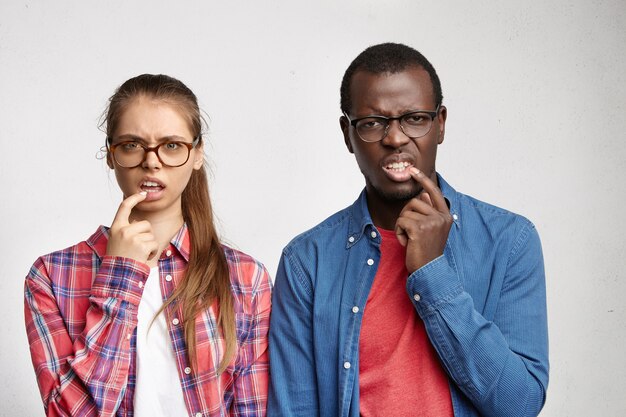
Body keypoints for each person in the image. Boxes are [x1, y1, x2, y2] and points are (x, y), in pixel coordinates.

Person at [268, 43, 549, 416]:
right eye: (372, 123)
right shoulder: (308, 261)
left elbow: (520, 404)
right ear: (347, 134)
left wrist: (432, 274)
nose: (395, 138)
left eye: (415, 118)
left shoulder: (510, 241)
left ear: (441, 124)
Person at [24, 74, 271, 417]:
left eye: (171, 145)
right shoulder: (52, 276)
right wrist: (121, 275)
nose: (151, 161)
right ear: (110, 155)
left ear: (197, 154)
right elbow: (68, 413)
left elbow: (252, 410)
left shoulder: (245, 277)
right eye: (131, 145)